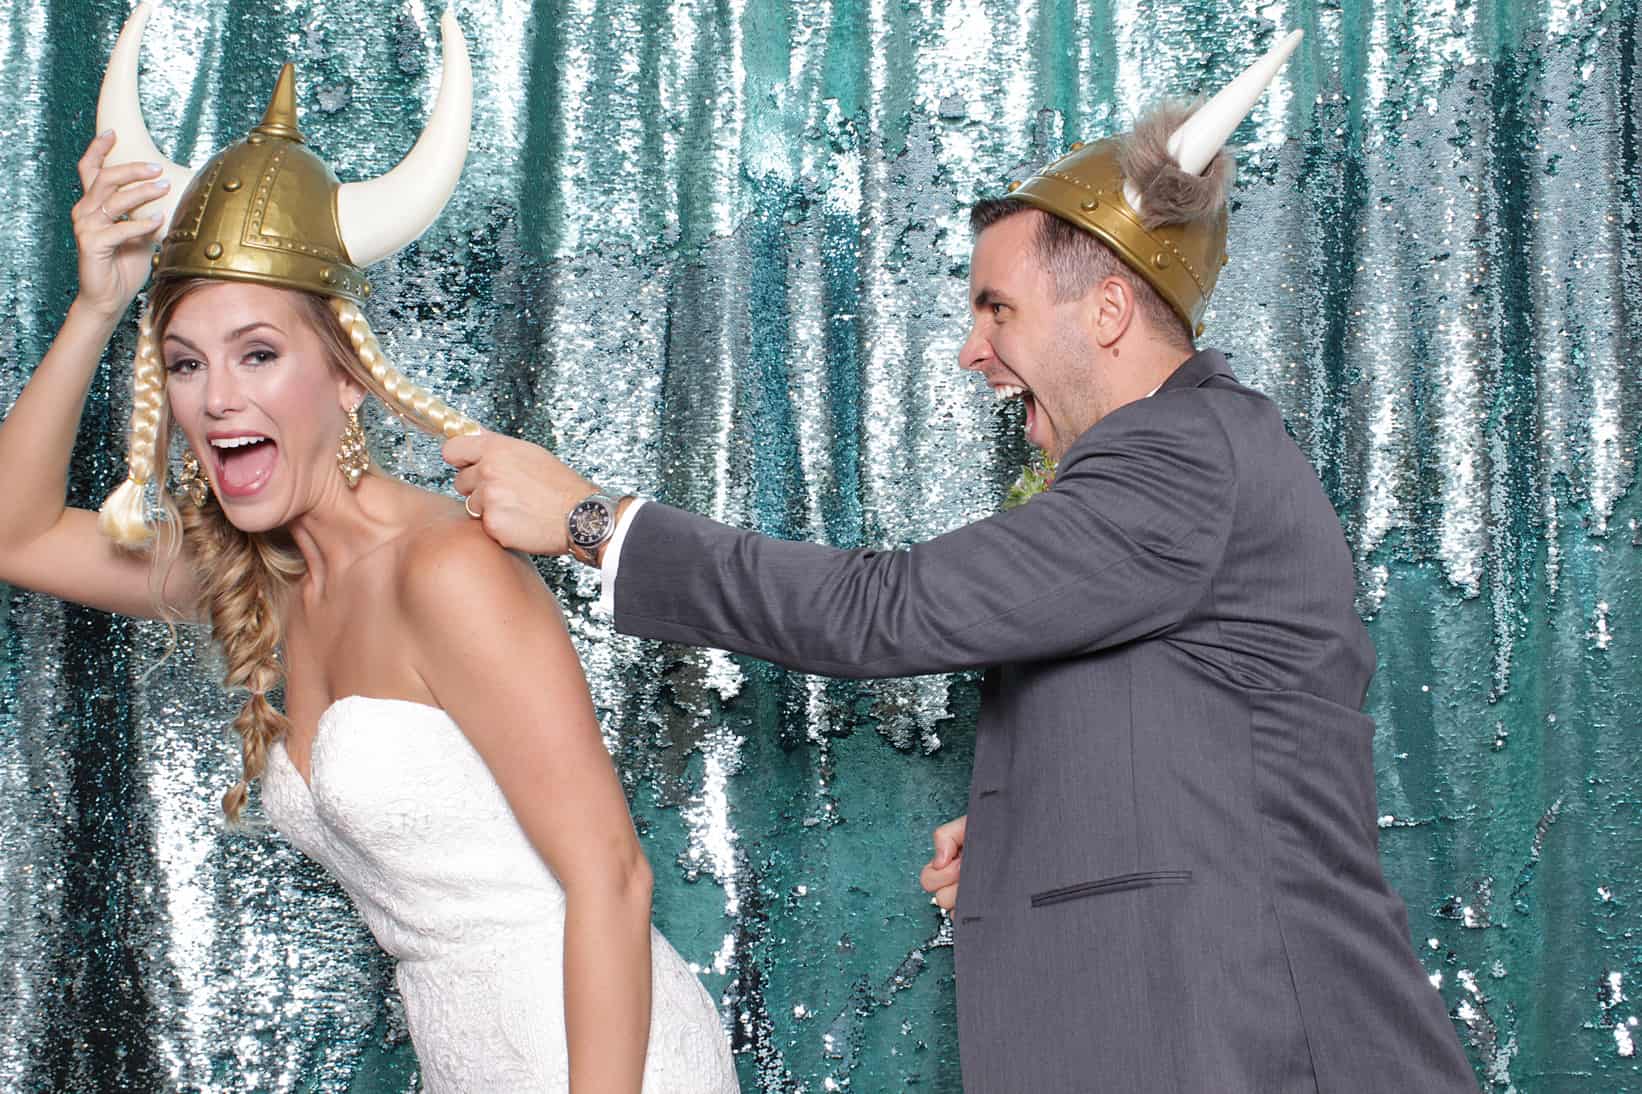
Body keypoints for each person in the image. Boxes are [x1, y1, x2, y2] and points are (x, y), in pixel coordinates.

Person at [443, 29, 1482, 1094]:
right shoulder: (1194, 463)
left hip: (1257, 1047)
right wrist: (1043, 826)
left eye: (997, 308)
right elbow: (1208, 732)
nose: (970, 349)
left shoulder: (1179, 456)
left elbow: (883, 610)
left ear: (1110, 309)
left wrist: (590, 521)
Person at [0, 7, 737, 1092]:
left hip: (604, 1061)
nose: (218, 399)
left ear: (348, 376)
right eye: (188, 364)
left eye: (258, 353)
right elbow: (15, 533)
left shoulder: (445, 567)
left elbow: (613, 881)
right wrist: (98, 305)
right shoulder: (259, 573)